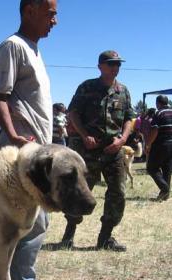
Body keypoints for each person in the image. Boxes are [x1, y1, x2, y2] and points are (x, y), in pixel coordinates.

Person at [0, 0, 57, 280]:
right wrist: (15, 136)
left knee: (33, 221)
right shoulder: (12, 46)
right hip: (20, 151)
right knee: (30, 221)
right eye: (51, 13)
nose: (55, 21)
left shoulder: (34, 50)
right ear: (29, 10)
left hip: (37, 150)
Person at [60, 50, 133, 251]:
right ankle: (69, 234)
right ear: (100, 66)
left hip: (113, 149)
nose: (115, 68)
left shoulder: (123, 91)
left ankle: (105, 237)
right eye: (111, 64)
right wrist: (84, 135)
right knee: (80, 192)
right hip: (87, 149)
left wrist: (123, 139)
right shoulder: (87, 87)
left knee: (118, 192)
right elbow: (73, 112)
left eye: (118, 64)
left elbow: (129, 117)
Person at [146, 95, 172, 201]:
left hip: (160, 144)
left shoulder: (159, 113)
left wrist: (148, 144)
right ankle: (165, 195)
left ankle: (165, 188)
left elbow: (154, 130)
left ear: (158, 103)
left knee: (151, 168)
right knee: (167, 170)